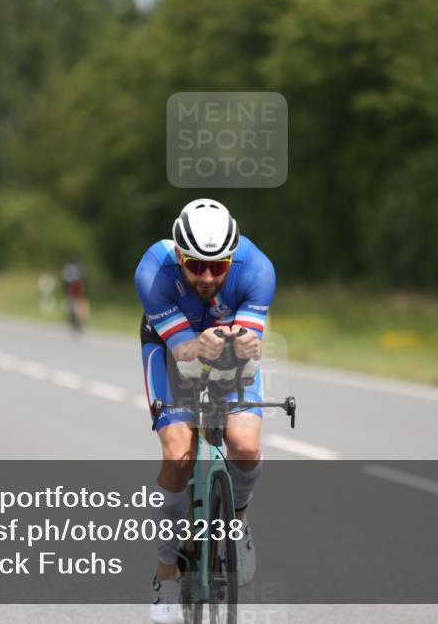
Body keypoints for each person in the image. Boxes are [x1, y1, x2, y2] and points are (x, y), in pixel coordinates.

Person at [135, 199, 275, 624]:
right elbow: (182, 353)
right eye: (197, 266)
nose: (209, 277)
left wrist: (244, 344)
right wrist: (201, 344)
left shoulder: (258, 270)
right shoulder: (153, 272)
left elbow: (247, 352)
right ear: (179, 255)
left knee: (245, 445)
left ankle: (237, 519)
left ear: (234, 257)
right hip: (168, 348)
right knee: (178, 453)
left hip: (230, 355)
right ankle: (166, 576)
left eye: (220, 267)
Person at [61, 259, 89, 332]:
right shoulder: (79, 267)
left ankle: (73, 316)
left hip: (71, 286)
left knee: (71, 300)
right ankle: (81, 317)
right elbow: (84, 277)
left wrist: (65, 289)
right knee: (80, 300)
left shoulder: (68, 267)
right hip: (79, 285)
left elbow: (64, 279)